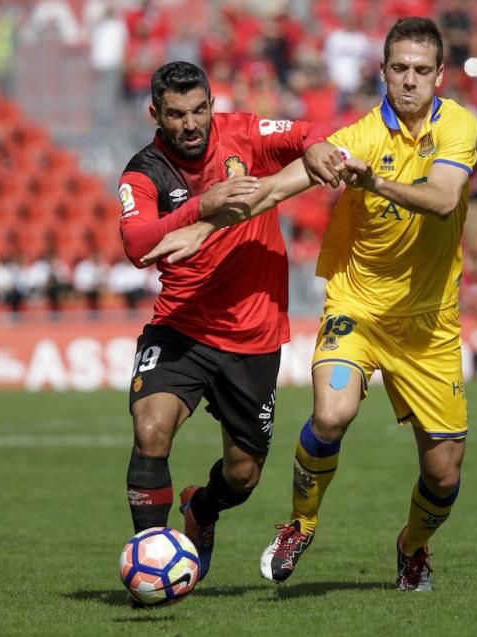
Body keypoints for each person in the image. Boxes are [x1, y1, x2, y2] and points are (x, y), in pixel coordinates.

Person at [142, 18, 477, 591]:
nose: (409, 81)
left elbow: (444, 201)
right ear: (383, 72)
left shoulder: (459, 126)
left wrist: (373, 184)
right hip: (357, 305)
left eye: (422, 71)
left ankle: (412, 547)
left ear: (440, 75)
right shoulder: (360, 139)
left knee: (443, 473)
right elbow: (272, 188)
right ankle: (300, 523)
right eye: (399, 69)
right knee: (331, 414)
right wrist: (201, 226)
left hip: (429, 322)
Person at [117, 61, 341, 590]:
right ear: (156, 114)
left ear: (212, 105)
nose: (191, 123)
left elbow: (315, 133)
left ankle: (202, 506)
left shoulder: (244, 133)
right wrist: (202, 205)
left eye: (199, 110)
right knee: (151, 431)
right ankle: (153, 571)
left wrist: (313, 147)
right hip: (182, 328)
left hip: (253, 337)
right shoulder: (143, 172)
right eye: (176, 115)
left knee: (243, 476)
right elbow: (136, 243)